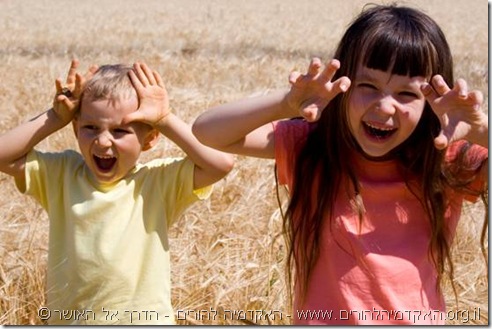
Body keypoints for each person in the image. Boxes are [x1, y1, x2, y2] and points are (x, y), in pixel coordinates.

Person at [192, 4, 488, 325]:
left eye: (406, 94)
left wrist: (481, 132)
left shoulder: (447, 160)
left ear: (431, 104)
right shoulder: (312, 149)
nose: (385, 106)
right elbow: (208, 131)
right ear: (342, 86)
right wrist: (287, 103)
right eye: (368, 86)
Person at [0, 60, 234, 324]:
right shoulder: (61, 175)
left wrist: (165, 120)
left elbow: (220, 164)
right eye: (90, 128)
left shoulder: (157, 183)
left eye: (120, 131)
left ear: (150, 139)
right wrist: (54, 118)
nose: (102, 141)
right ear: (75, 128)